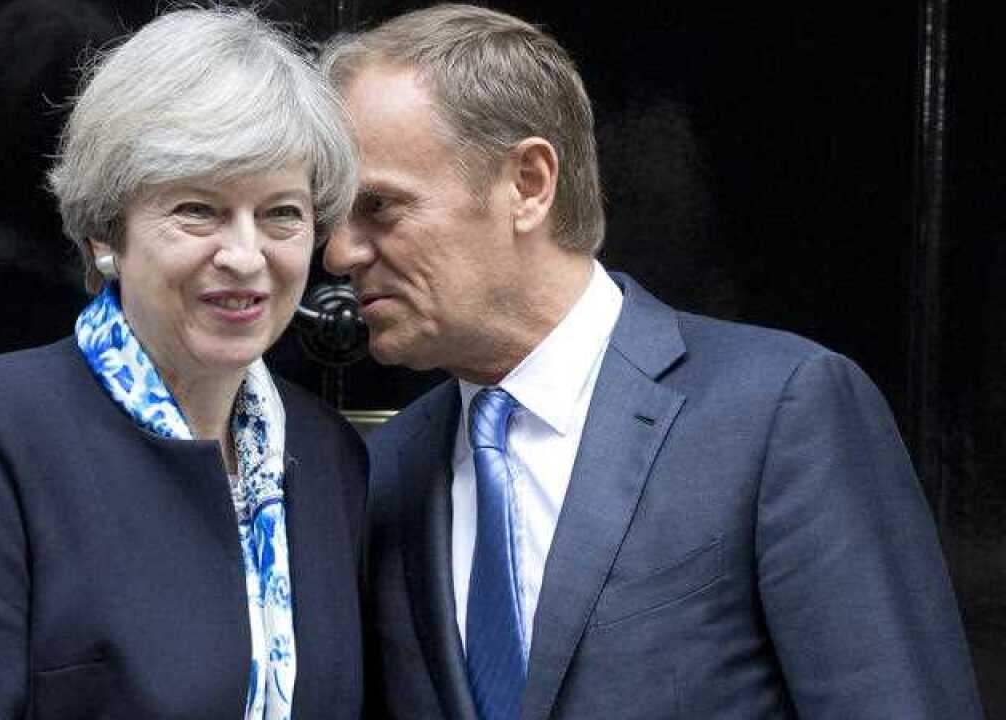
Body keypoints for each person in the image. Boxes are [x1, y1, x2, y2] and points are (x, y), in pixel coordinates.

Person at [321, 4, 982, 718]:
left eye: (381, 207)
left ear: (529, 184)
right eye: (336, 219)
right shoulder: (386, 471)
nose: (339, 254)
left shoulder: (778, 414)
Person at [0, 8, 365, 718]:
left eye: (281, 213)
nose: (247, 256)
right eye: (198, 209)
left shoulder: (324, 452)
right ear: (104, 234)